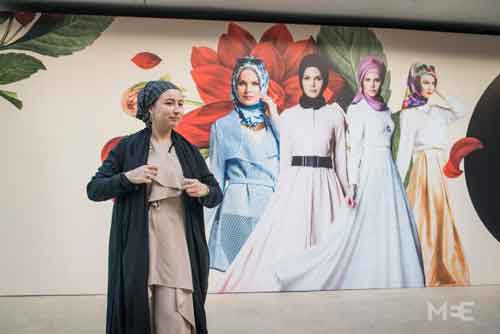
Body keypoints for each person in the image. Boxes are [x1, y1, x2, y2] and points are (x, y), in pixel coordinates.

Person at [274, 56, 425, 291]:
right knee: (357, 231)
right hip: (369, 173)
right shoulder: (356, 110)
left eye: (377, 80)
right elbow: (353, 152)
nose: (373, 85)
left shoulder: (386, 111)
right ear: (361, 82)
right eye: (368, 80)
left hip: (389, 175)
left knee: (389, 229)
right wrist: (352, 186)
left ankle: (389, 277)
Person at [87, 80, 222, 334]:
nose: (178, 110)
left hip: (179, 242)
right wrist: (128, 177)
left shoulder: (189, 151)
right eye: (169, 103)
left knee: (176, 311)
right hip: (140, 241)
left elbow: (215, 194)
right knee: (141, 305)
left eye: (180, 104)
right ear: (149, 108)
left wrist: (204, 191)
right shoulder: (127, 148)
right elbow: (94, 189)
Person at [217, 54, 350, 292]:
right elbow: (285, 158)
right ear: (300, 80)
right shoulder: (289, 116)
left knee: (328, 241)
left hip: (326, 183)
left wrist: (347, 188)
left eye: (317, 78)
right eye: (307, 77)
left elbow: (341, 159)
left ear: (324, 81)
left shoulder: (335, 115)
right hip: (296, 182)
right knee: (292, 238)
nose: (312, 83)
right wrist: (281, 191)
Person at [394, 62, 470, 286]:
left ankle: (441, 268)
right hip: (422, 166)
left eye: (432, 83)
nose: (429, 87)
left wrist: (439, 91)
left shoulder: (439, 112)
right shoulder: (409, 114)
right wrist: (396, 183)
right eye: (425, 82)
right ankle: (421, 270)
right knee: (422, 218)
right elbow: (404, 151)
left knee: (440, 217)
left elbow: (461, 110)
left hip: (437, 167)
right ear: (415, 84)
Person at [207, 56, 280, 271]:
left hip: (269, 205)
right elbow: (216, 176)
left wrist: (274, 115)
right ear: (234, 86)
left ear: (263, 86)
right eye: (242, 83)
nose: (248, 89)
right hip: (236, 205)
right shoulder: (222, 126)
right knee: (237, 273)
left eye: (255, 83)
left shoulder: (274, 124)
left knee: (267, 273)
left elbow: (291, 161)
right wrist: (201, 224)